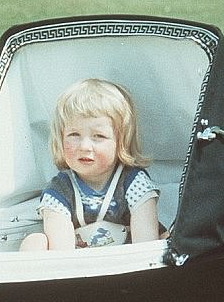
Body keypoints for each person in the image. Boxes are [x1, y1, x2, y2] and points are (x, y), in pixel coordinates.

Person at [20, 78, 161, 251]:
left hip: (130, 264)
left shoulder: (133, 181)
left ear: (121, 142)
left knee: (168, 239)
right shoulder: (59, 190)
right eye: (74, 134)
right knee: (34, 242)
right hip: (78, 267)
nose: (85, 146)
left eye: (98, 136)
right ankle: (30, 278)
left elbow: (147, 246)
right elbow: (61, 252)